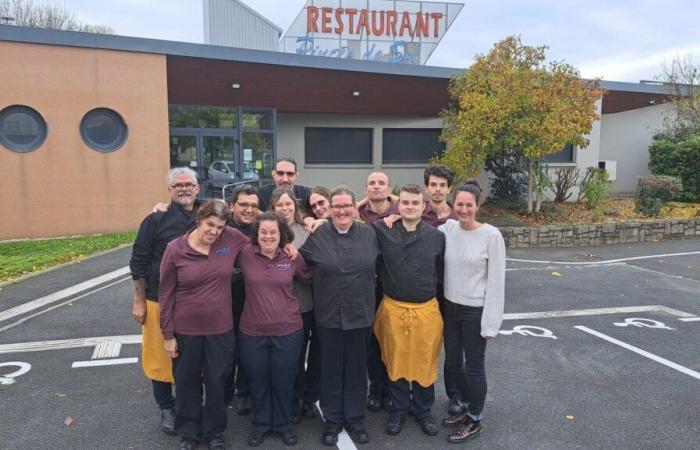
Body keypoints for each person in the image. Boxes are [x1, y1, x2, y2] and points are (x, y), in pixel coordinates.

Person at [159, 200, 249, 450]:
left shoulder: (230, 239)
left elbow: (261, 237)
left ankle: (215, 432)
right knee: (187, 383)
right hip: (185, 331)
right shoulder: (175, 249)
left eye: (220, 226)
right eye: (210, 224)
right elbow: (166, 294)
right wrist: (168, 335)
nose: (214, 231)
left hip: (220, 330)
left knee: (217, 383)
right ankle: (189, 432)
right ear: (199, 220)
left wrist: (287, 241)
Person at [300, 186, 379, 446]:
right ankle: (332, 421)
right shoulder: (318, 234)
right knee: (331, 370)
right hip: (329, 315)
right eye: (337, 206)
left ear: (355, 206)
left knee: (356, 370)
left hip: (360, 314)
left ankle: (356, 419)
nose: (342, 210)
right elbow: (299, 262)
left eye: (347, 205)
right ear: (330, 209)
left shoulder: (370, 233)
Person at [129, 167, 200, 436]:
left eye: (188, 184)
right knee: (159, 357)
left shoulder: (208, 214)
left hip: (196, 302)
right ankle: (167, 407)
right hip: (158, 300)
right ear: (169, 190)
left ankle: (191, 403)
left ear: (197, 188)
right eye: (177, 185)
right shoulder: (155, 220)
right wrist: (139, 301)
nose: (183, 188)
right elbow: (138, 262)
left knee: (193, 356)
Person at [371, 184, 445, 437]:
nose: (410, 207)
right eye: (404, 202)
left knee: (424, 362)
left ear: (423, 206)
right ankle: (399, 410)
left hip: (426, 310)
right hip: (393, 309)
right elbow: (352, 218)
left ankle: (424, 411)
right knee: (396, 362)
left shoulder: (437, 236)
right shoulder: (382, 229)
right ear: (397, 204)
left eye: (415, 202)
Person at [438, 181, 506, 443]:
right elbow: (418, 224)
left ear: (478, 206)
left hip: (475, 310)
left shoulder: (491, 235)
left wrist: (491, 323)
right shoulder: (448, 229)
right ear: (452, 204)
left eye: (469, 205)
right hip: (451, 307)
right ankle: (466, 408)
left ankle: (475, 418)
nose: (463, 209)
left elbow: (497, 282)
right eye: (459, 204)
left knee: (474, 367)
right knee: (453, 364)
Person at [236, 212, 312, 447]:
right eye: (264, 232)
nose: (268, 236)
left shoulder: (291, 256)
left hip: (288, 330)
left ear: (282, 235)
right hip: (252, 331)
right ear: (256, 234)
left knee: (283, 379)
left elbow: (310, 279)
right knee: (258, 379)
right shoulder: (244, 253)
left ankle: (283, 424)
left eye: (273, 232)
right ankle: (260, 424)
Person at [269, 188, 320, 424]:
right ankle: (287, 400)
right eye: (280, 205)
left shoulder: (307, 230)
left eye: (288, 204)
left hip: (304, 304)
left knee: (301, 357)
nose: (285, 208)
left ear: (295, 206)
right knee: (288, 359)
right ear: (273, 207)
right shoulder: (266, 231)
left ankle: (303, 399)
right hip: (275, 306)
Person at [357, 171, 398, 413]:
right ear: (365, 189)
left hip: (394, 287)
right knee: (372, 342)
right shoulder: (358, 213)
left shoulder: (402, 210)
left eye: (381, 183)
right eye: (371, 183)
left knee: (393, 341)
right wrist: (358, 204)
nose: (376, 187)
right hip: (367, 288)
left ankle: (394, 390)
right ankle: (376, 389)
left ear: (389, 188)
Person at [224, 184, 261, 415]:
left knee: (248, 352)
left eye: (254, 206)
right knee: (226, 352)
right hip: (224, 305)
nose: (249, 210)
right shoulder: (220, 229)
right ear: (231, 206)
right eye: (243, 205)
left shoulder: (263, 230)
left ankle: (245, 392)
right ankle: (225, 390)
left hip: (253, 305)